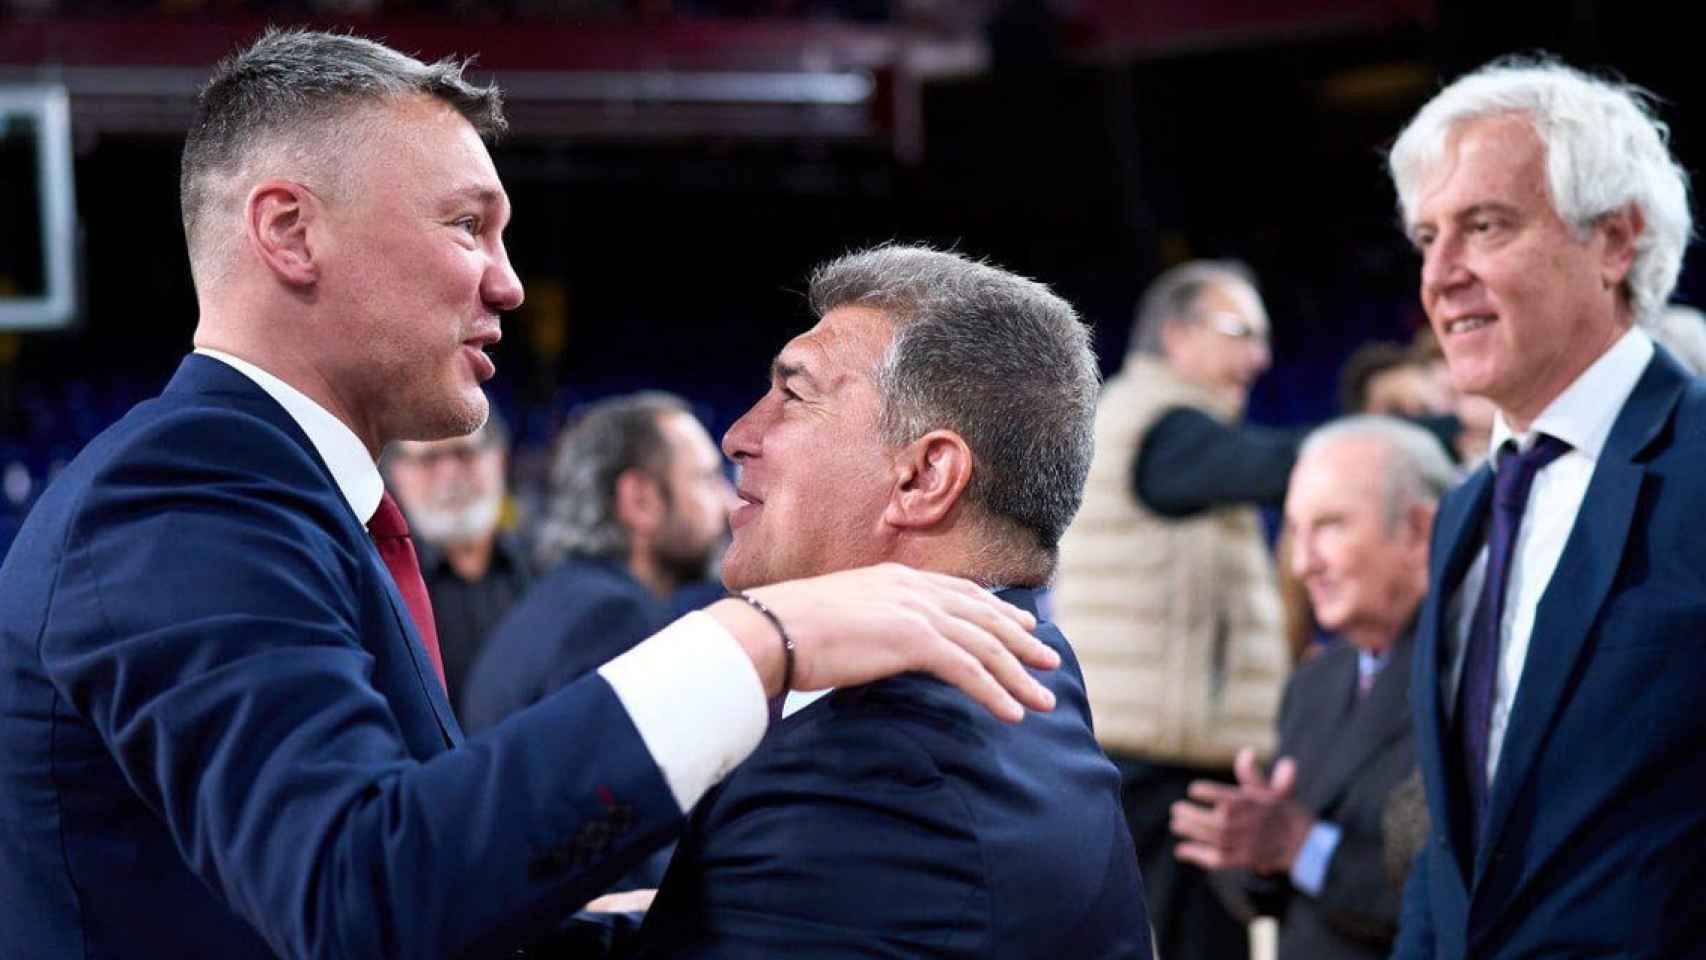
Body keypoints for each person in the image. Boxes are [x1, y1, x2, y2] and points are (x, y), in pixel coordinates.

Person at [0, 30, 1060, 960]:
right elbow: (358, 900)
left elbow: (431, 903)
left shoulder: (291, 501)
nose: (507, 280)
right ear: (288, 231)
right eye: (468, 224)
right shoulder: (179, 498)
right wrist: (756, 637)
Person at [634, 245, 1152, 958]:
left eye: (794, 394)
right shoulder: (1034, 672)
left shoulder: (860, 780)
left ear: (924, 477)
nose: (739, 435)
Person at [1385, 57, 1706, 957]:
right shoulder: (1465, 511)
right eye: (1426, 238)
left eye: (1484, 226)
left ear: (1614, 242)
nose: (1440, 275)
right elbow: (1459, 849)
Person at [1052, 259, 1294, 960]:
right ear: (1179, 337)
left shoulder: (1158, 424)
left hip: (1154, 753)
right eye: (1241, 332)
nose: (1261, 357)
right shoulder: (1164, 429)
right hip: (1161, 767)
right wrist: (1385, 450)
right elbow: (1270, 466)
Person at [1170, 416, 1454, 960]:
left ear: (1419, 529)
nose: (1304, 564)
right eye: (1296, 531)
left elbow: (1459, 889)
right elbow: (1274, 883)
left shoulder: (1473, 677)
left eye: (1329, 526)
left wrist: (1300, 846)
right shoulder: (1314, 683)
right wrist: (1248, 848)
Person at [462, 392, 732, 733]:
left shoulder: (560, 596)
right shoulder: (613, 621)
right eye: (708, 479)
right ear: (640, 501)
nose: (729, 502)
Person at [383, 410, 532, 718]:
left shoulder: (548, 567)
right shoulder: (379, 590)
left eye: (465, 453)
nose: (450, 474)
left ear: (500, 459)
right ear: (397, 474)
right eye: (428, 460)